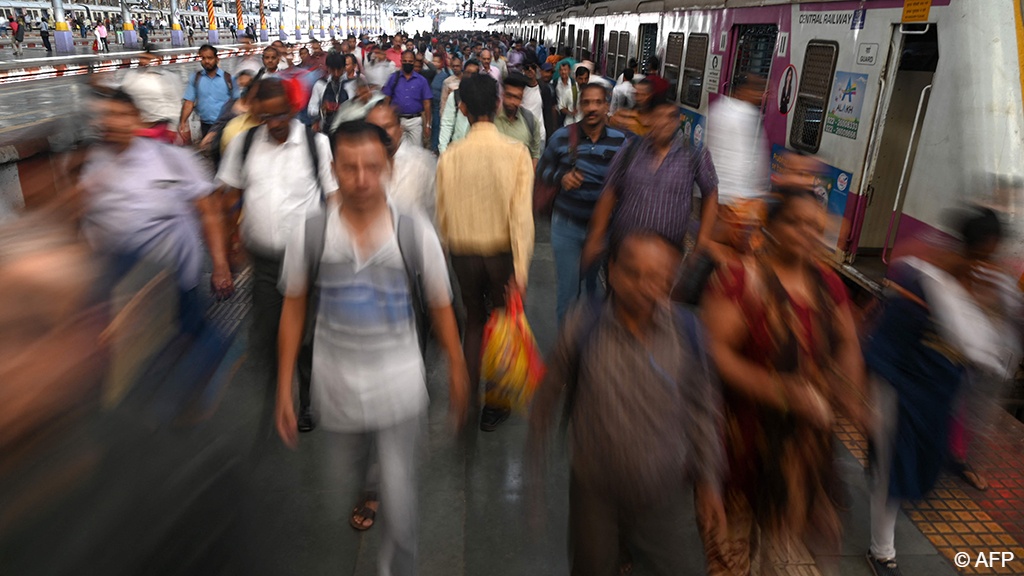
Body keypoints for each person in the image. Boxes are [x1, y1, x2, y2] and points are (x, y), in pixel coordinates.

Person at [274, 119, 469, 573]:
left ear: (388, 168)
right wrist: (286, 385)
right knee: (346, 476)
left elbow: (441, 305)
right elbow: (294, 307)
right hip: (335, 385)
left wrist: (458, 369)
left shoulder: (413, 231)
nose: (361, 179)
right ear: (334, 169)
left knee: (399, 502)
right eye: (349, 168)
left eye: (371, 167)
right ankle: (369, 484)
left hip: (398, 383)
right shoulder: (312, 232)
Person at [529, 230, 726, 576]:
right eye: (633, 273)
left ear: (671, 279)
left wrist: (708, 481)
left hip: (662, 493)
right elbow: (546, 396)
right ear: (612, 271)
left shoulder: (686, 332)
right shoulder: (583, 326)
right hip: (595, 492)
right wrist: (535, 474)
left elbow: (703, 410)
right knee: (593, 565)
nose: (644, 286)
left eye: (658, 277)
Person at [700, 187, 868, 575]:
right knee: (730, 559)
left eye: (815, 226)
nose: (807, 233)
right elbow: (715, 353)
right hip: (740, 446)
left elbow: (848, 347)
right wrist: (779, 391)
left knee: (785, 556)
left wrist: (851, 397)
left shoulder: (830, 285)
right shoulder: (740, 279)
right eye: (795, 222)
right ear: (772, 227)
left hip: (800, 457)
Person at [864, 208, 1010, 576]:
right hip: (899, 393)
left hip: (932, 401)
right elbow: (883, 348)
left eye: (989, 258)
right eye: (980, 256)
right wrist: (873, 401)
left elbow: (980, 351)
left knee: (913, 469)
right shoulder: (922, 285)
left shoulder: (975, 294)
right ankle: (882, 553)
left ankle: (880, 463)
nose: (983, 266)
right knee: (891, 477)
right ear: (967, 249)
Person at [217, 77, 338, 434]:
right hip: (265, 262)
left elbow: (333, 199)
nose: (275, 123)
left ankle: (307, 401)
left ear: (294, 108)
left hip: (307, 261)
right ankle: (278, 396)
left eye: (281, 114)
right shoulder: (245, 144)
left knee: (306, 336)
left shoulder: (317, 146)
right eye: (266, 117)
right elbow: (227, 197)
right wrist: (230, 244)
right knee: (268, 331)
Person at [78, 88, 234, 335]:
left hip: (175, 281)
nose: (115, 122)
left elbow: (209, 212)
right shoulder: (94, 164)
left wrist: (221, 266)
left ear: (137, 119)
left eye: (122, 114)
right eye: (109, 115)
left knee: (191, 341)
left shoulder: (170, 158)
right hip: (121, 287)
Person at [435, 73, 534, 431]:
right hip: (500, 255)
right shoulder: (517, 154)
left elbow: (442, 215)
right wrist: (520, 271)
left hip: (463, 253)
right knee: (501, 323)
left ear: (461, 108)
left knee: (474, 323)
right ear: (496, 104)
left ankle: (466, 396)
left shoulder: (449, 158)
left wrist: (450, 251)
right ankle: (495, 404)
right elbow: (521, 218)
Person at [582, 100, 721, 272]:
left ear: (677, 122)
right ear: (648, 119)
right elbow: (609, 192)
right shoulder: (629, 151)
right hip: (625, 253)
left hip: (668, 259)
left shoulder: (694, 155)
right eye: (659, 116)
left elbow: (711, 192)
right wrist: (596, 236)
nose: (664, 122)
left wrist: (701, 244)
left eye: (671, 117)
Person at [538, 83, 627, 323]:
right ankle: (567, 354)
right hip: (567, 227)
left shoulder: (621, 143)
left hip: (603, 231)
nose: (592, 108)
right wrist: (561, 177)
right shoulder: (561, 137)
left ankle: (590, 350)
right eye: (587, 102)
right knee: (568, 295)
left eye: (598, 103)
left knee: (594, 294)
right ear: (579, 107)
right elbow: (542, 170)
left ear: (607, 106)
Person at [366, 101, 437, 219]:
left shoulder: (422, 163)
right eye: (375, 128)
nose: (382, 133)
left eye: (387, 127)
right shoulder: (359, 169)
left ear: (400, 129)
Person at [120, 48, 183, 142]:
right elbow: (123, 99)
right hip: (141, 127)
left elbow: (177, 103)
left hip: (163, 127)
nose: (143, 61)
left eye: (146, 58)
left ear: (157, 59)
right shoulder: (131, 77)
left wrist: (173, 128)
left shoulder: (169, 77)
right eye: (141, 58)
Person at [180, 44, 236, 143]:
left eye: (210, 58)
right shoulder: (196, 78)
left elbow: (238, 102)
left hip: (225, 126)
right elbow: (189, 102)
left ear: (217, 59)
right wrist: (183, 122)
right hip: (205, 126)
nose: (206, 61)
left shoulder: (228, 79)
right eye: (203, 58)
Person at [382, 50, 432, 148]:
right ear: (401, 61)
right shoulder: (393, 78)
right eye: (405, 61)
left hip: (415, 121)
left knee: (416, 151)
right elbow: (387, 99)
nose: (407, 63)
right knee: (398, 151)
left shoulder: (421, 81)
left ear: (414, 62)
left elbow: (427, 103)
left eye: (410, 62)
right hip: (397, 120)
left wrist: (428, 125)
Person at [495, 73, 543, 168]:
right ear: (503, 94)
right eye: (509, 96)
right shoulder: (490, 120)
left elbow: (535, 154)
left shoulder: (530, 121)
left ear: (521, 98)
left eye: (517, 97)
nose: (512, 101)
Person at [437, 59, 478, 153]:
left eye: (474, 74)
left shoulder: (483, 97)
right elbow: (447, 123)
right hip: (457, 148)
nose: (470, 76)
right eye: (467, 73)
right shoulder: (455, 96)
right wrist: (443, 150)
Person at [307, 53, 349, 133]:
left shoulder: (350, 84)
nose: (336, 73)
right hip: (327, 129)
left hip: (347, 128)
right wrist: (321, 110)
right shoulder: (320, 84)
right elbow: (311, 108)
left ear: (344, 68)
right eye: (333, 70)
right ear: (328, 69)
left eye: (339, 69)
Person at [519, 61, 549, 147]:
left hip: (540, 135)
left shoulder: (543, 89)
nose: (530, 70)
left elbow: (548, 111)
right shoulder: (521, 89)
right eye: (527, 68)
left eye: (533, 68)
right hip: (524, 136)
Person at [555, 61, 578, 126]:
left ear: (569, 71)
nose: (563, 72)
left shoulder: (574, 84)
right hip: (558, 113)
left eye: (565, 70)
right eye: (561, 70)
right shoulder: (555, 83)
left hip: (570, 114)